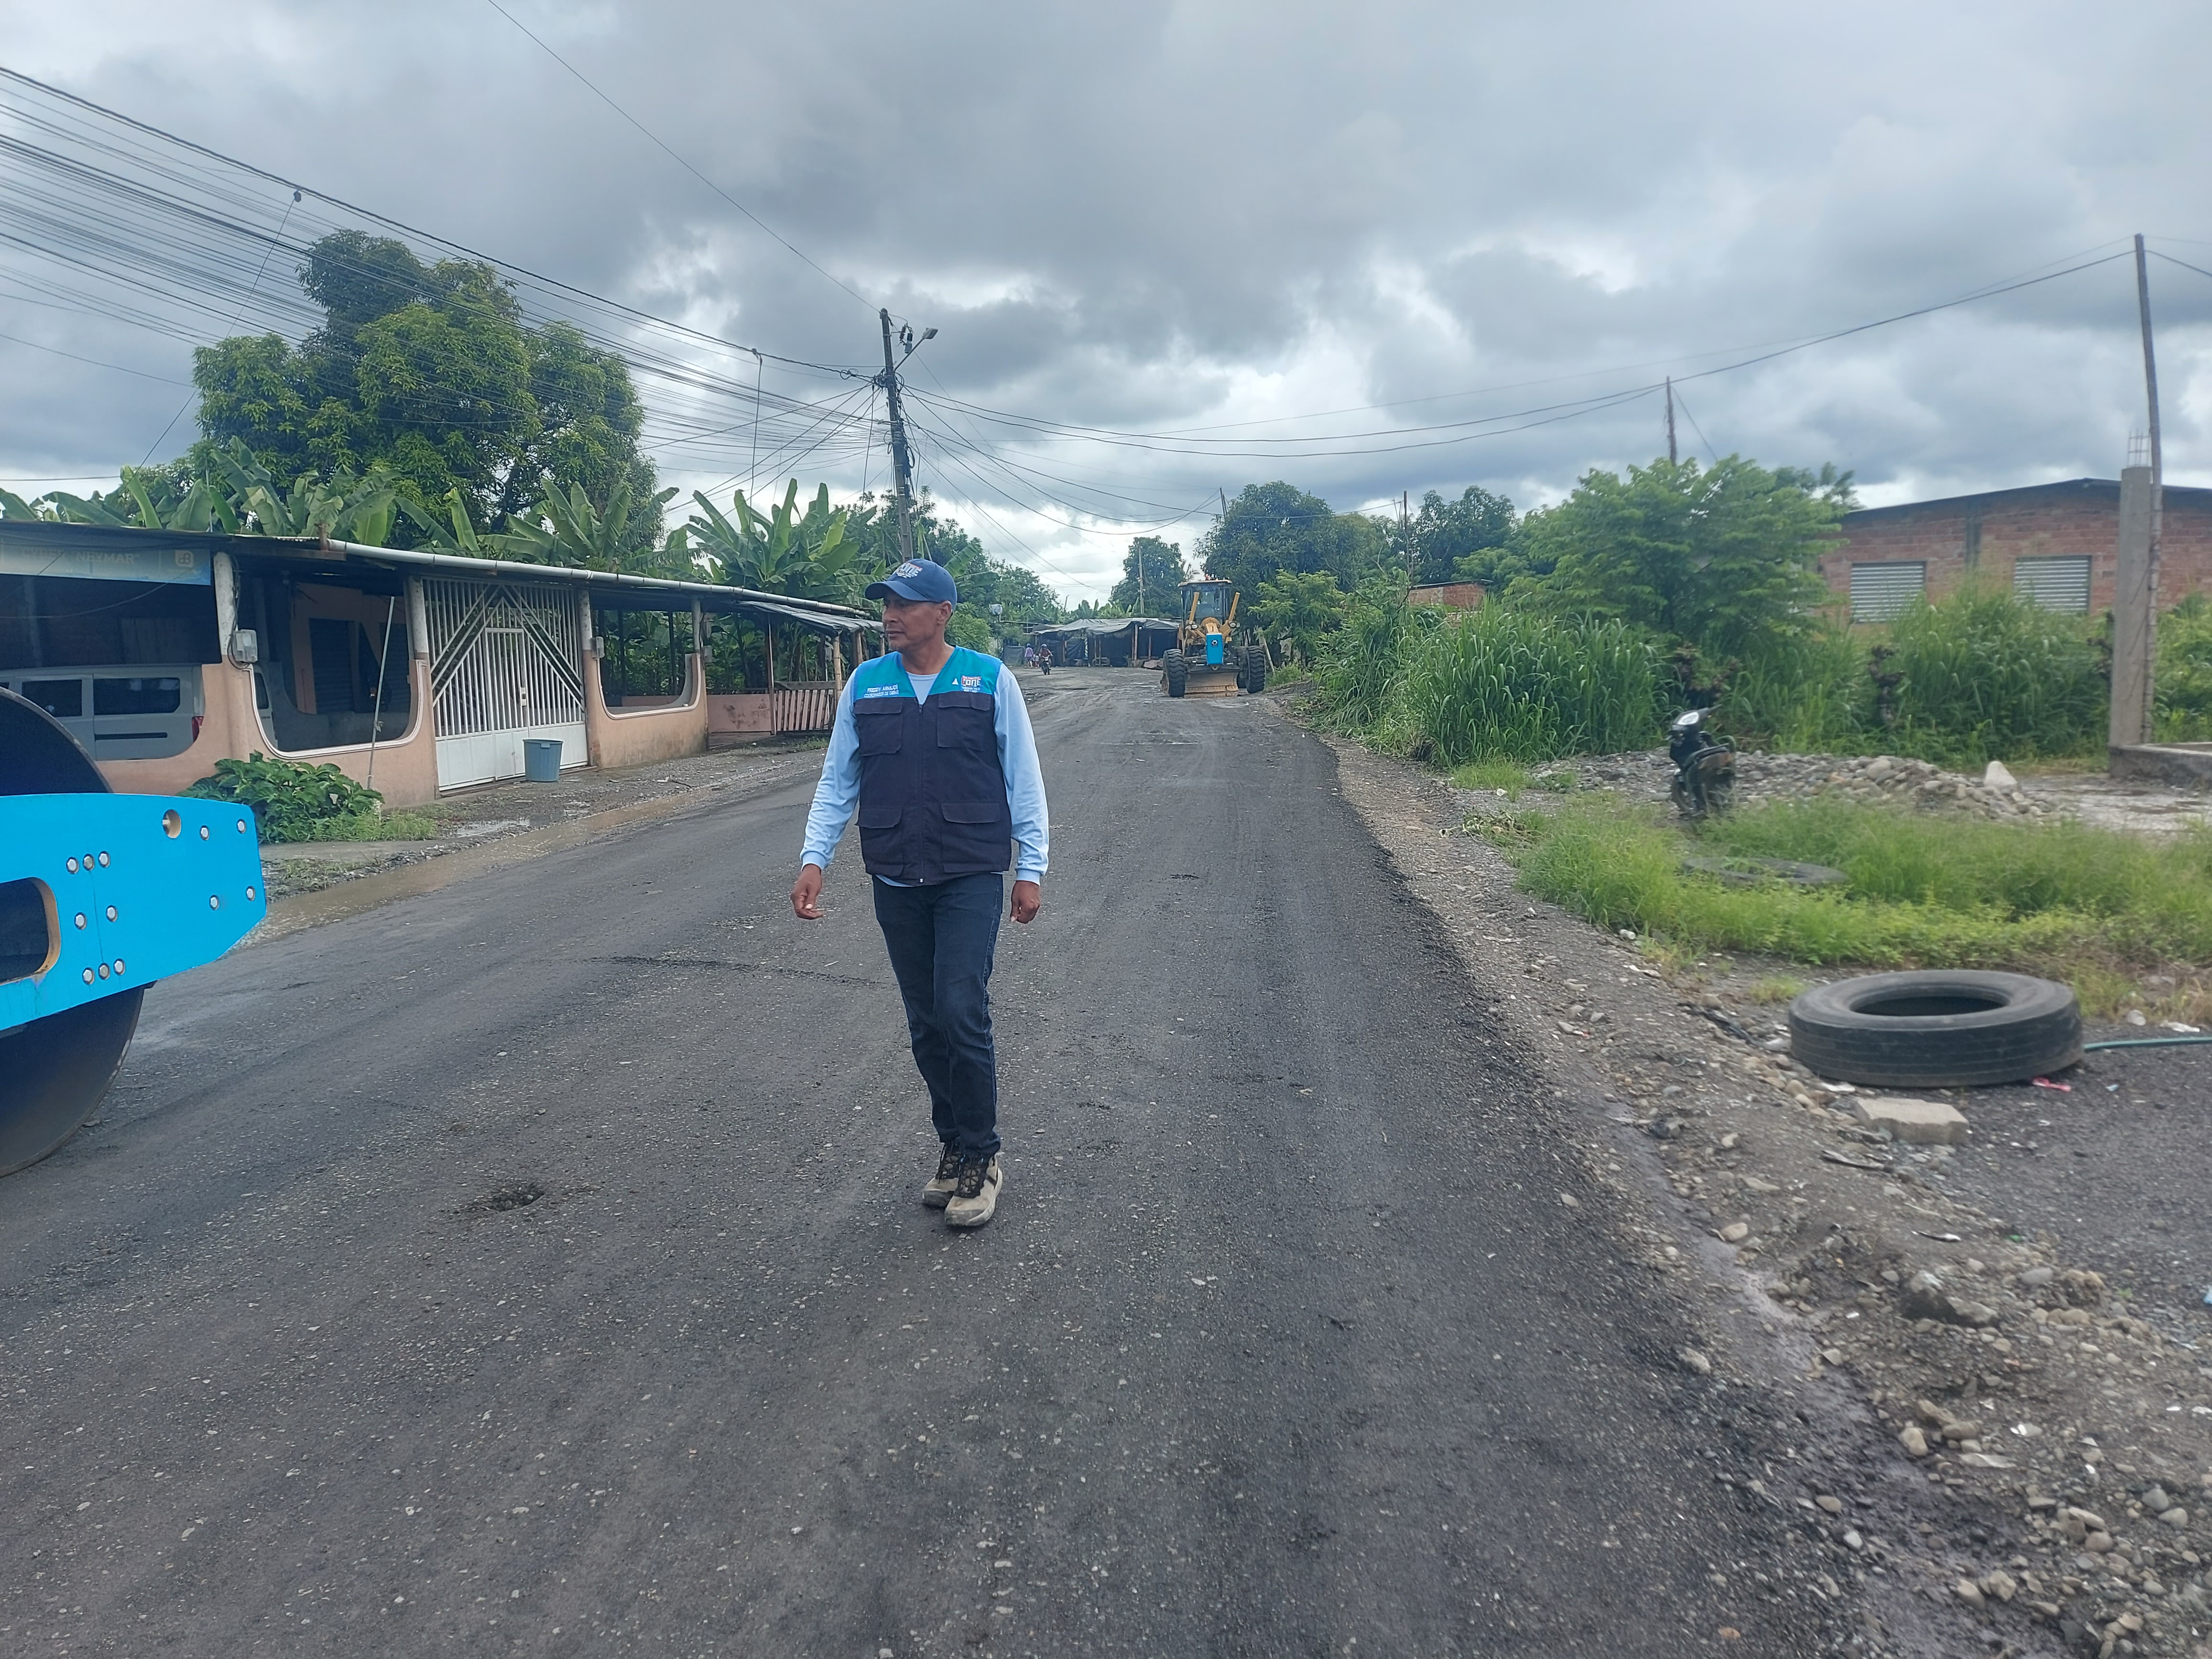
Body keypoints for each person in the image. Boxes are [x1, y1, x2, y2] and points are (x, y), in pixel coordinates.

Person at [791, 557, 1048, 1228]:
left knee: (961, 1010)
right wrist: (815, 857)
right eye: (886, 604)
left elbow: (1023, 777)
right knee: (927, 1023)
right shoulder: (865, 684)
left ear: (943, 613)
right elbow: (837, 780)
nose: (891, 616)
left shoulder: (989, 679)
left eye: (905, 604)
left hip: (969, 874)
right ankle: (953, 1144)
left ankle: (983, 1155)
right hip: (897, 877)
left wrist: (1031, 868)